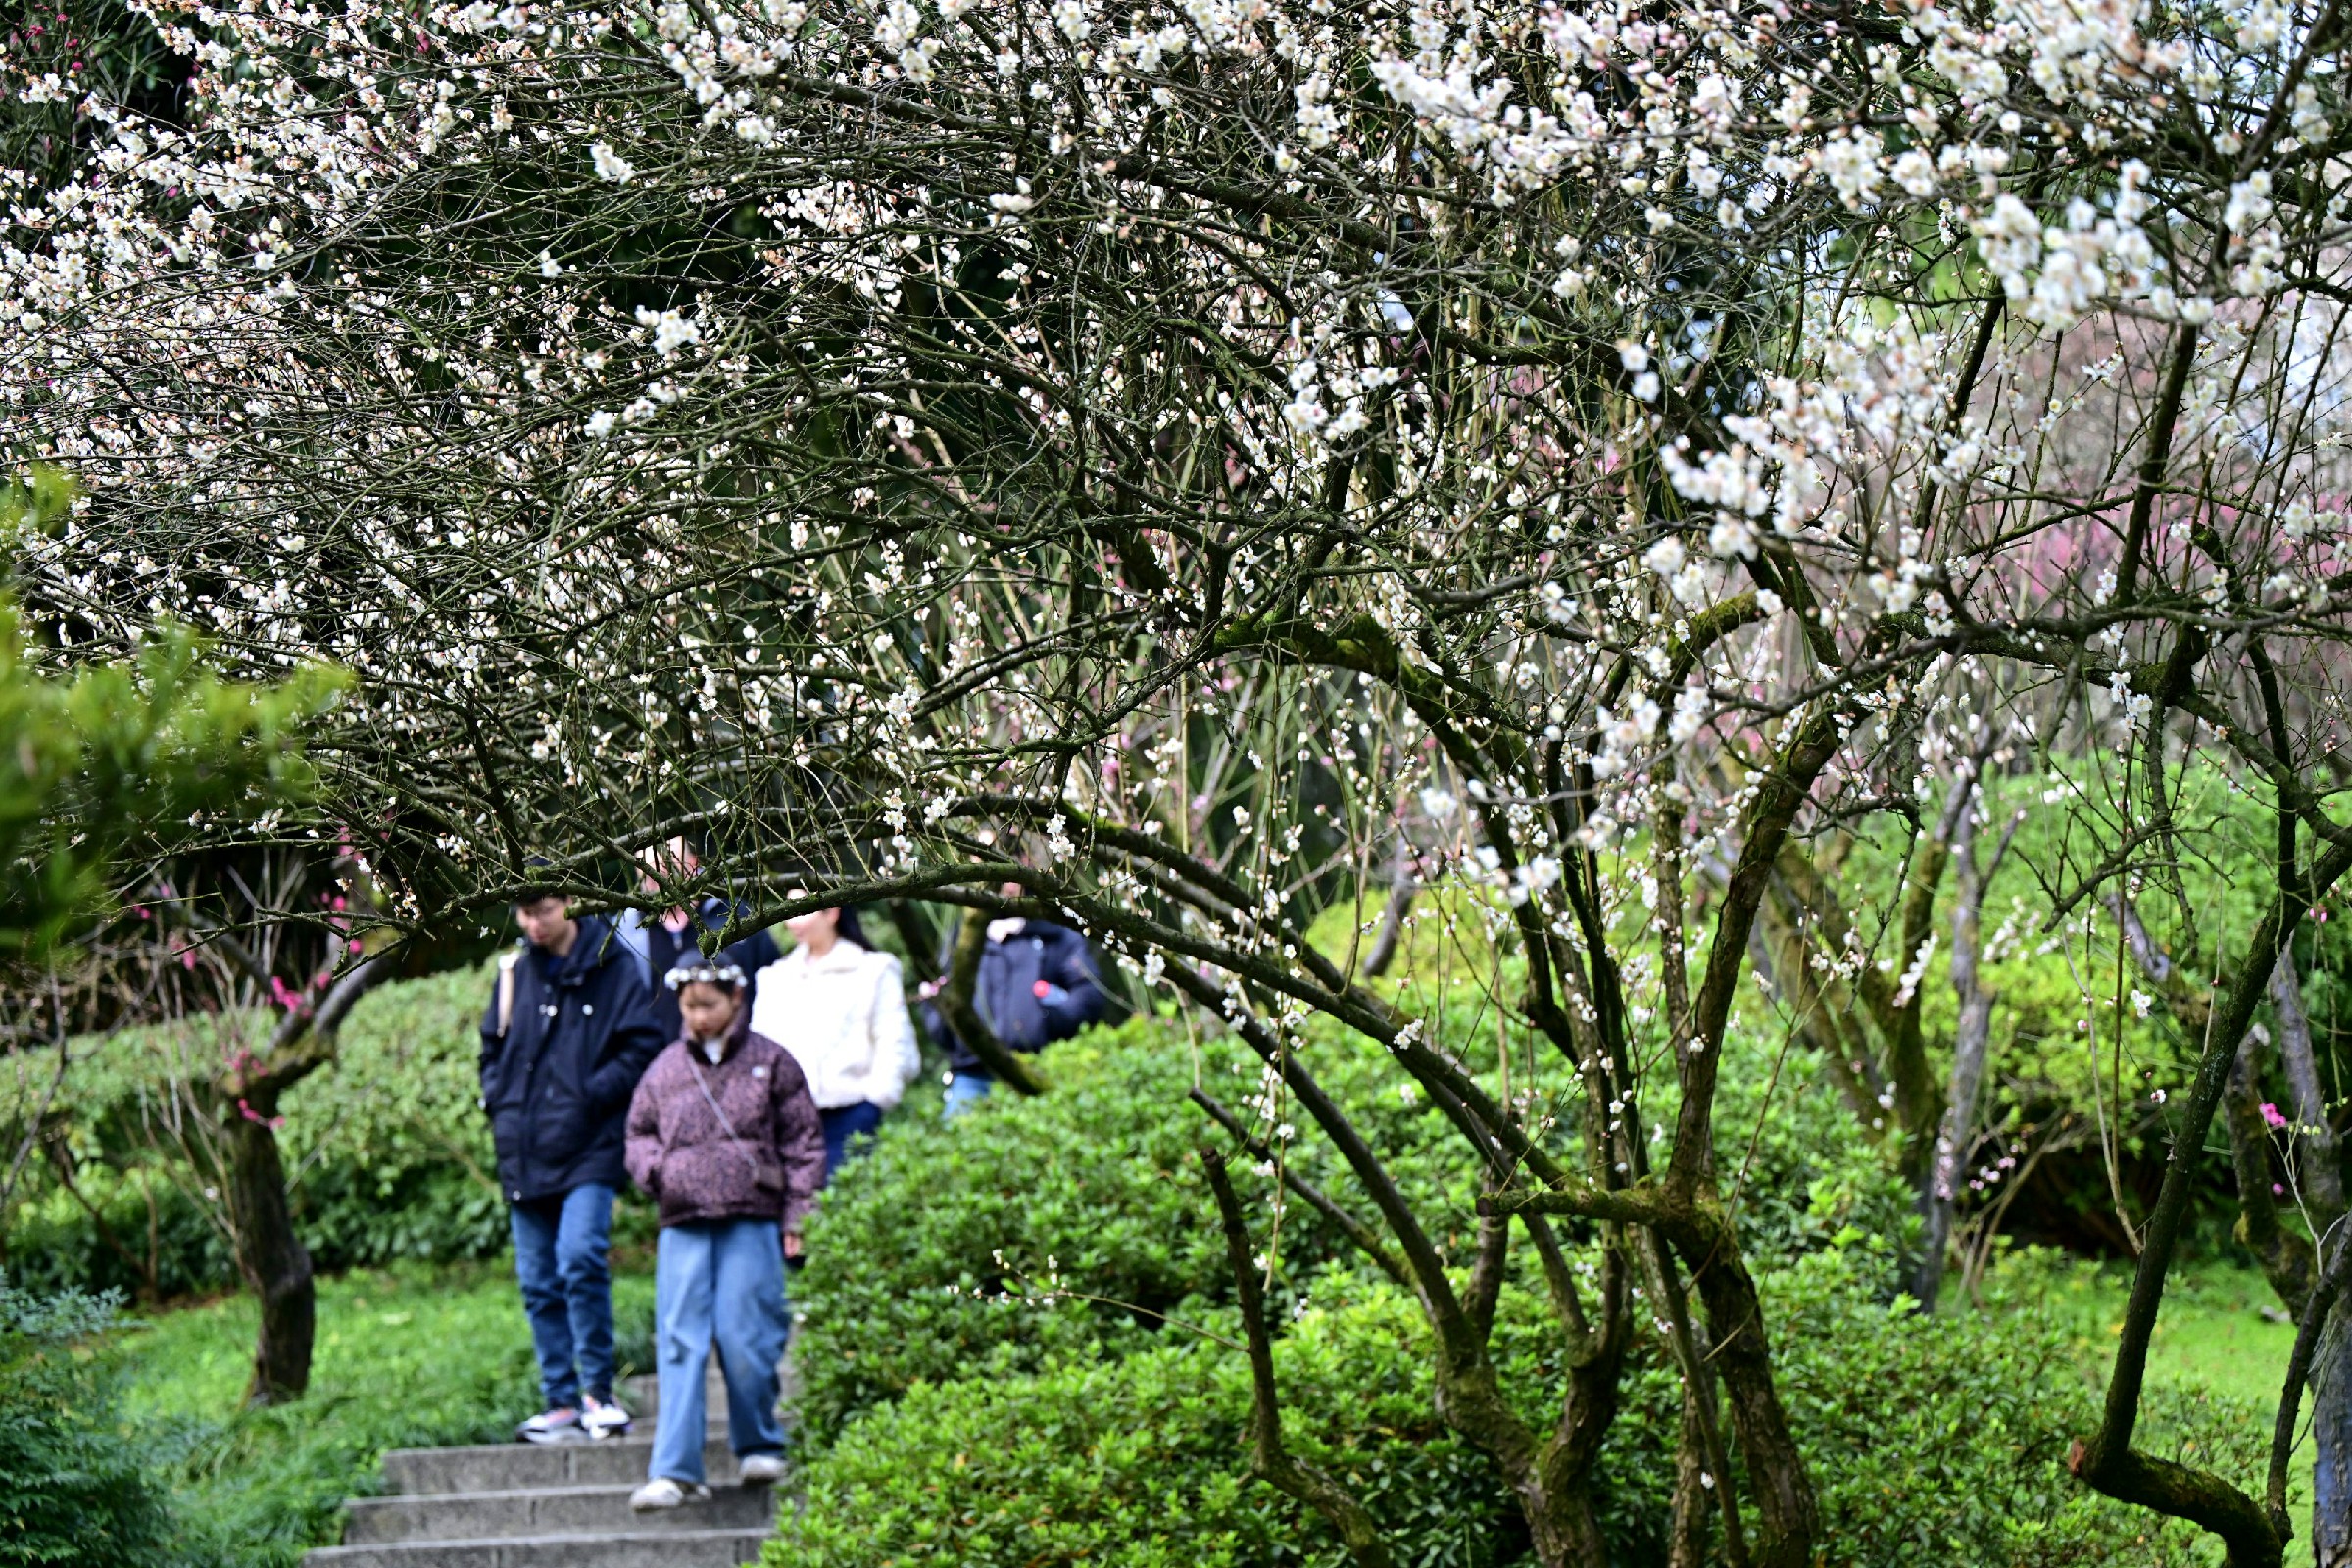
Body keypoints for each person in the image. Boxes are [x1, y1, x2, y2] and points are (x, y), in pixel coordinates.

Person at [623, 959, 825, 1512]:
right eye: (689, 1007)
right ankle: (674, 1468)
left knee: (750, 1334)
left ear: (737, 998)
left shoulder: (772, 1061)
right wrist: (658, 1173)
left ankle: (760, 1443)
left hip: (752, 1218)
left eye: (708, 1005)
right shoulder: (664, 1068)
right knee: (679, 1340)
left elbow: (805, 1143)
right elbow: (638, 1133)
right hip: (683, 1223)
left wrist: (799, 1217)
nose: (698, 1017)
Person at [480, 891, 664, 1444]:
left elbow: (641, 1046)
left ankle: (597, 1394)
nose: (533, 923)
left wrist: (588, 1096)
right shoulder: (515, 972)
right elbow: (491, 1049)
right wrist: (499, 1102)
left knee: (579, 1258)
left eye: (543, 910)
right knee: (538, 1281)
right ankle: (559, 1400)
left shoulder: (612, 962)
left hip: (591, 1146)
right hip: (524, 1147)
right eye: (524, 912)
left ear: (571, 904)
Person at [747, 906, 919, 1178]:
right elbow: (760, 1049)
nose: (793, 921)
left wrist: (876, 1100)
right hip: (789, 1119)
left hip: (852, 1111)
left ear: (832, 912)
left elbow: (893, 1038)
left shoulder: (873, 969)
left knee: (847, 1205)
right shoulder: (775, 977)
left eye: (801, 911)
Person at [919, 886, 1108, 1117]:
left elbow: (1088, 993)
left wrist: (1048, 1019)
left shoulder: (1057, 934)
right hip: (972, 1072)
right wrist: (951, 1032)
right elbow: (937, 993)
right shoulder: (962, 936)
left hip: (1039, 1066)